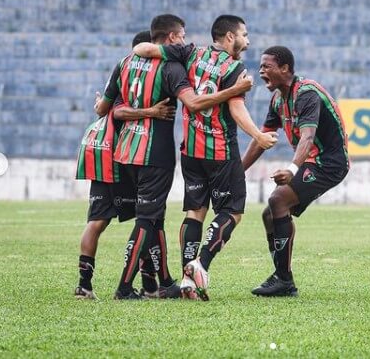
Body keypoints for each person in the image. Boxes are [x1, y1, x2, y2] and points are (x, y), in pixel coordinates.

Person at [133, 15, 278, 301]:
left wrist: (144, 49)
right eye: (244, 35)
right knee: (233, 210)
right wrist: (258, 137)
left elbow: (143, 49)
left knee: (195, 212)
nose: (247, 42)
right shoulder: (235, 68)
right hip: (220, 151)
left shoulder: (190, 52)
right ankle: (201, 265)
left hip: (191, 151)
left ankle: (187, 279)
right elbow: (236, 109)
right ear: (228, 37)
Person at [242, 46, 350, 297]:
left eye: (266, 66)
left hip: (329, 162)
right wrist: (239, 170)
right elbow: (263, 137)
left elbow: (308, 136)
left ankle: (284, 280)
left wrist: (292, 168)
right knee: (270, 215)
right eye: (260, 67)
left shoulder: (306, 93)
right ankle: (281, 276)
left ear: (285, 68)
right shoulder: (278, 99)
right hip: (312, 161)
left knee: (278, 199)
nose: (261, 72)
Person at [75, 30, 169, 300]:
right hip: (125, 155)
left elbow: (102, 108)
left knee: (100, 220)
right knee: (146, 219)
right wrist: (151, 112)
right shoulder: (139, 73)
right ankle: (144, 284)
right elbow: (115, 111)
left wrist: (99, 105)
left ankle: (86, 285)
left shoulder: (123, 69)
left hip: (107, 154)